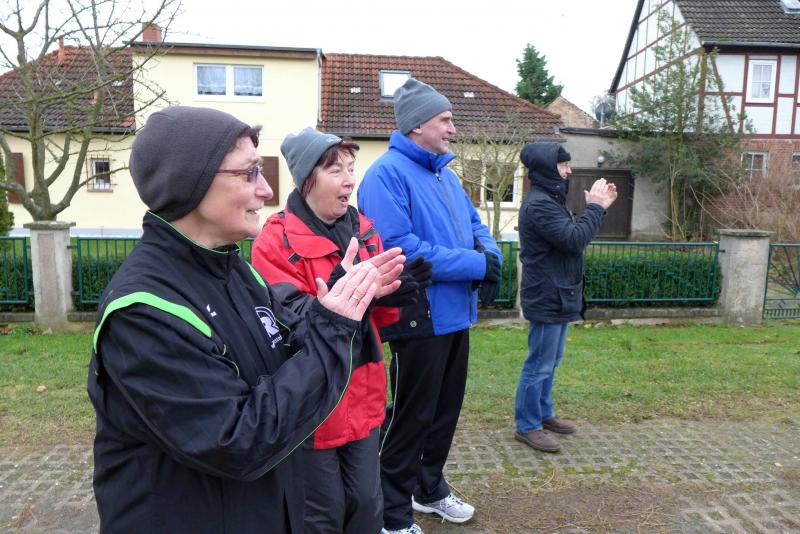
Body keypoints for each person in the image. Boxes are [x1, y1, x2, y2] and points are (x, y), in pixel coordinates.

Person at [87, 106, 406, 533]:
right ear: (192, 183)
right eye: (249, 173)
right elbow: (238, 441)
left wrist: (333, 304)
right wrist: (334, 326)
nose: (266, 189)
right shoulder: (144, 311)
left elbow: (287, 345)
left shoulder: (234, 269)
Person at [251, 127, 431, 533]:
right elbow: (285, 325)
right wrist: (336, 300)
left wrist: (388, 298)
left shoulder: (365, 230)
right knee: (323, 513)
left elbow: (376, 323)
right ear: (306, 179)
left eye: (352, 168)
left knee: (366, 505)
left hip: (363, 392)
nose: (350, 180)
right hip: (312, 404)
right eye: (336, 171)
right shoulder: (275, 241)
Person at [358, 78, 503, 534]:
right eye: (445, 119)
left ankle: (429, 488)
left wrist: (491, 256)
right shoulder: (386, 174)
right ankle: (392, 512)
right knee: (411, 418)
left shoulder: (446, 174)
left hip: (455, 314)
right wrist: (477, 264)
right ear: (418, 124)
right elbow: (399, 247)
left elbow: (476, 225)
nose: (452, 129)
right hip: (417, 316)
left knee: (444, 413)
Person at [514, 142, 617, 453]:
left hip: (559, 294)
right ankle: (527, 425)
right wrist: (595, 208)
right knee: (539, 364)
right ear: (547, 168)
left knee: (551, 361)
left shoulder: (551, 201)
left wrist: (599, 208)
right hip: (546, 295)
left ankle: (543, 413)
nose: (569, 171)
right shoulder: (540, 205)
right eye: (563, 165)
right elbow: (574, 240)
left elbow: (573, 238)